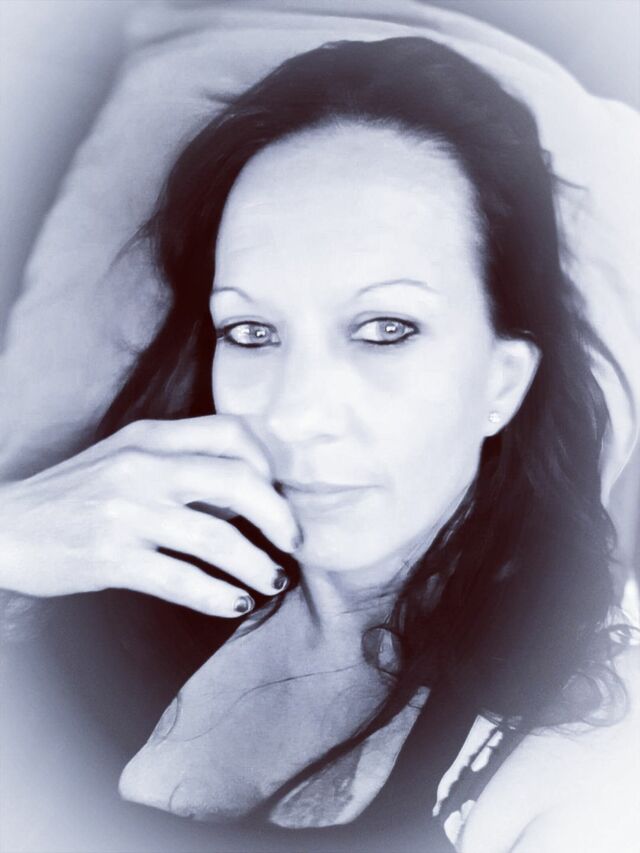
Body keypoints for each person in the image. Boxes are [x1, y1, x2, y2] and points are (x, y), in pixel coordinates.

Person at [0, 37, 637, 852]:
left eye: (385, 328)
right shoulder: (102, 558)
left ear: (502, 380)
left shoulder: (589, 745)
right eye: (250, 330)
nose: (296, 412)